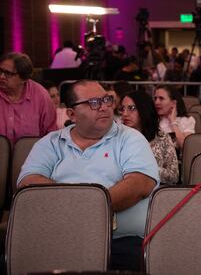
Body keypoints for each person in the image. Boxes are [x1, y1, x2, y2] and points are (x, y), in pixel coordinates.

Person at [17, 80, 159, 271]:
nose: (104, 108)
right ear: (72, 114)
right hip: (58, 239)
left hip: (120, 242)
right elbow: (29, 184)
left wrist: (77, 208)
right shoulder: (50, 143)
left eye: (106, 100)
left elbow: (139, 185)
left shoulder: (130, 138)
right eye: (93, 103)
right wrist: (86, 206)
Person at [120, 91, 179, 185]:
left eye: (131, 108)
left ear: (144, 109)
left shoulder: (162, 138)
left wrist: (144, 167)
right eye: (122, 109)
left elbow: (173, 176)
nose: (125, 113)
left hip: (155, 194)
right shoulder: (117, 138)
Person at [0, 52, 57, 144]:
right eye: (0, 71)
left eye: (8, 73)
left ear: (24, 78)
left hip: (31, 156)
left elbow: (51, 134)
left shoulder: (41, 96)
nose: (1, 77)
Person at [154, 85, 195, 149]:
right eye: (155, 98)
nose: (157, 102)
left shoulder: (187, 120)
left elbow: (184, 146)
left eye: (161, 98)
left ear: (173, 103)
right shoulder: (153, 120)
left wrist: (173, 121)